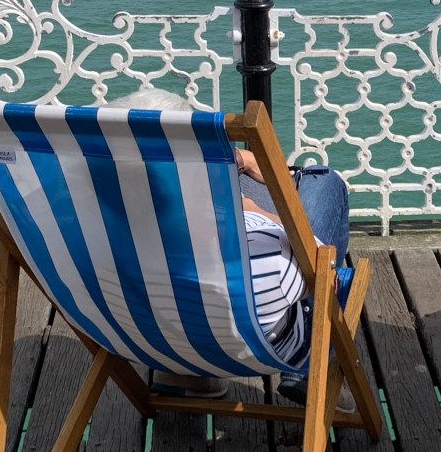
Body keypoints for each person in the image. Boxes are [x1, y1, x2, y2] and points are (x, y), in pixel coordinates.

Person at [107, 87, 351, 399]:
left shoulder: (89, 246)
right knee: (324, 182)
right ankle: (309, 371)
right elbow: (322, 269)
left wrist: (236, 171)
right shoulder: (267, 257)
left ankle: (184, 376)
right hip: (255, 347)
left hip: (156, 343)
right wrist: (250, 209)